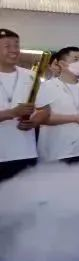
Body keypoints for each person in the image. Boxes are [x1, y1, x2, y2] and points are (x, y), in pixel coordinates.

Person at [33, 47, 79, 166]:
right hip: (56, 153)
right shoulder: (47, 87)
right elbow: (41, 118)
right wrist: (75, 118)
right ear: (62, 63)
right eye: (76, 59)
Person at [0, 29, 40, 182]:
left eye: (16, 45)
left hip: (25, 154)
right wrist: (12, 113)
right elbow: (13, 112)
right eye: (7, 46)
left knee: (25, 196)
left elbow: (45, 109)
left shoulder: (31, 76)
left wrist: (35, 121)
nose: (14, 50)